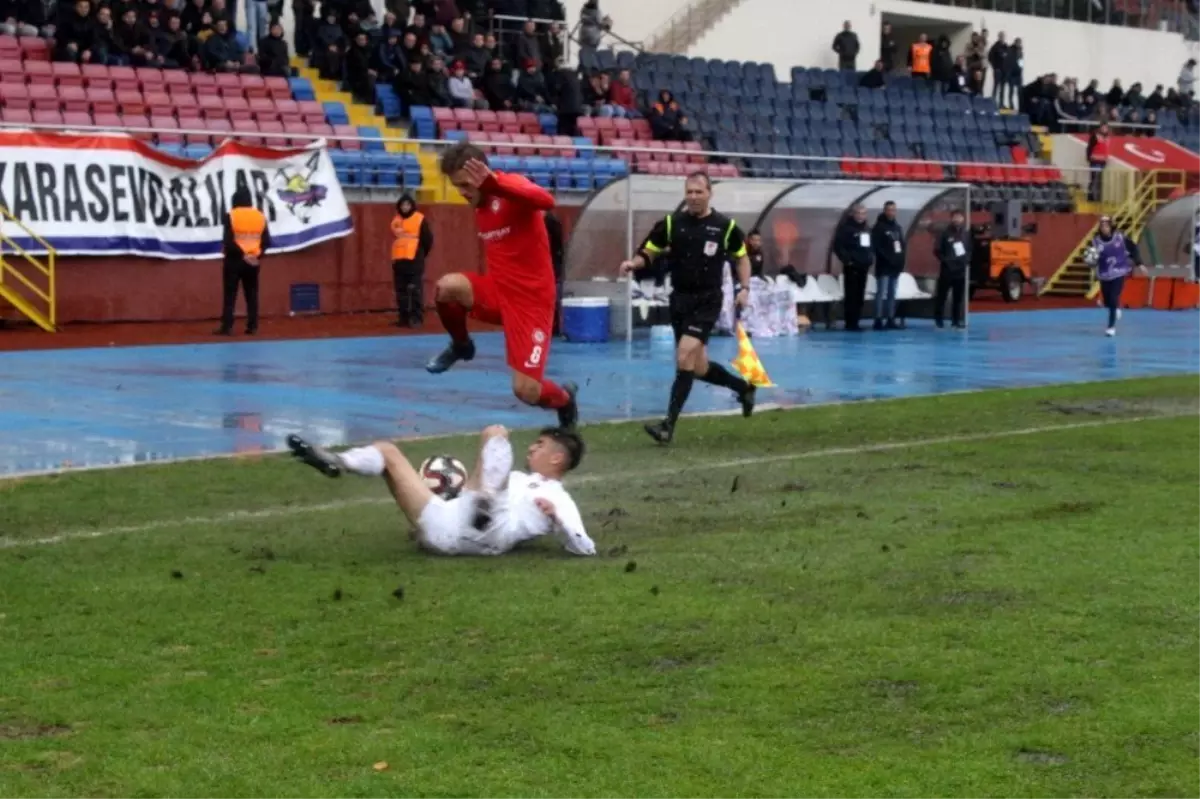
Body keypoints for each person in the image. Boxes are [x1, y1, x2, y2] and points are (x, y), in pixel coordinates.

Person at [425, 143, 579, 429]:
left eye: (465, 184)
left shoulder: (508, 187)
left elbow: (546, 200)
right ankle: (461, 346)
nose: (461, 191)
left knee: (525, 391)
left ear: (482, 174)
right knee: (446, 288)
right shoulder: (480, 204)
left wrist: (495, 183)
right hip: (498, 293)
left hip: (531, 304)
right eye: (456, 185)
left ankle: (565, 400)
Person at [286, 425, 595, 557]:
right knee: (388, 453)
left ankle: (483, 502)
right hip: (448, 529)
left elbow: (585, 546)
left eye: (540, 445)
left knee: (495, 432)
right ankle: (336, 461)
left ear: (557, 458)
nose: (532, 447)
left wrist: (557, 519)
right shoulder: (514, 477)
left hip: (493, 533)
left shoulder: (557, 497)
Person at [618, 172, 756, 445]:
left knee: (683, 357)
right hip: (679, 300)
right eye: (689, 192)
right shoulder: (671, 223)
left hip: (707, 301)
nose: (693, 197)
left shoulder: (724, 226)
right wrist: (634, 263)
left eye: (698, 192)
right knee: (698, 367)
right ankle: (744, 388)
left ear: (709, 193)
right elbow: (649, 251)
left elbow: (741, 258)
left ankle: (667, 426)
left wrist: (745, 288)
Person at [216, 186, 270, 336]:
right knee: (252, 294)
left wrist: (241, 254)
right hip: (253, 261)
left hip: (234, 260)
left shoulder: (231, 216)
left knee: (230, 294)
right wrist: (255, 256)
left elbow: (227, 241)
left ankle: (227, 326)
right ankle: (252, 326)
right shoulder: (260, 216)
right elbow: (266, 241)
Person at [1087, 215, 1144, 337]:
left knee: (1113, 297)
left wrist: (1139, 263)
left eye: (1106, 226)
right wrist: (1091, 262)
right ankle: (1115, 307)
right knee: (1107, 301)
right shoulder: (1096, 241)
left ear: (1111, 226)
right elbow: (1093, 258)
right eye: (1102, 226)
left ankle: (1111, 327)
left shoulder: (1120, 237)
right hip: (1104, 274)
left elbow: (1133, 248)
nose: (1104, 228)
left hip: (1119, 272)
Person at [391, 193, 434, 328]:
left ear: (412, 206)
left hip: (415, 260)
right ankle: (403, 318)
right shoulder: (395, 221)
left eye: (407, 204)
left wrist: (421, 254)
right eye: (403, 205)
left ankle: (416, 318)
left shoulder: (420, 219)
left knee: (415, 290)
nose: (405, 207)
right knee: (401, 291)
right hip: (399, 261)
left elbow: (428, 239)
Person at [833, 204, 873, 332]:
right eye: (859, 213)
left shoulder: (867, 229)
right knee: (851, 295)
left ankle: (857, 320)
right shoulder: (846, 229)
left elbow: (870, 246)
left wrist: (869, 259)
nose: (861, 216)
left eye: (863, 213)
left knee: (860, 294)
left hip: (863, 266)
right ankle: (850, 322)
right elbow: (837, 246)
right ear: (853, 214)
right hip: (852, 267)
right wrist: (848, 261)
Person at [934, 210, 971, 330]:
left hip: (960, 271)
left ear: (963, 219)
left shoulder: (965, 234)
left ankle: (956, 320)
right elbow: (937, 250)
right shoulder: (944, 233)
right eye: (955, 217)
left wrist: (966, 261)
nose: (957, 219)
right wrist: (946, 261)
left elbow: (970, 249)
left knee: (958, 298)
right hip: (947, 271)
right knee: (942, 296)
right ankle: (938, 319)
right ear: (951, 218)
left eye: (959, 217)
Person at [871, 201, 905, 330]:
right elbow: (877, 247)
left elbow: (902, 246)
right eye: (889, 210)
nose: (891, 212)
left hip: (895, 267)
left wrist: (901, 261)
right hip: (884, 266)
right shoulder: (879, 228)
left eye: (894, 210)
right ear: (885, 211)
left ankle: (891, 318)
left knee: (892, 293)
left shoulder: (897, 228)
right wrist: (888, 259)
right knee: (881, 292)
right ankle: (878, 319)